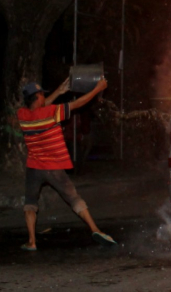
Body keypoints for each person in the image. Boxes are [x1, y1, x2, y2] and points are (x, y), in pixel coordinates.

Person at [17, 77, 116, 251]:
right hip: (53, 167)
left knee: (30, 203)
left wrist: (58, 92)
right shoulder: (52, 112)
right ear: (38, 96)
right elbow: (78, 103)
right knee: (74, 198)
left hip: (34, 167)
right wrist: (97, 89)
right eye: (42, 95)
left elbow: (40, 105)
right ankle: (95, 229)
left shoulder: (23, 115)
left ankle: (31, 241)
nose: (44, 98)